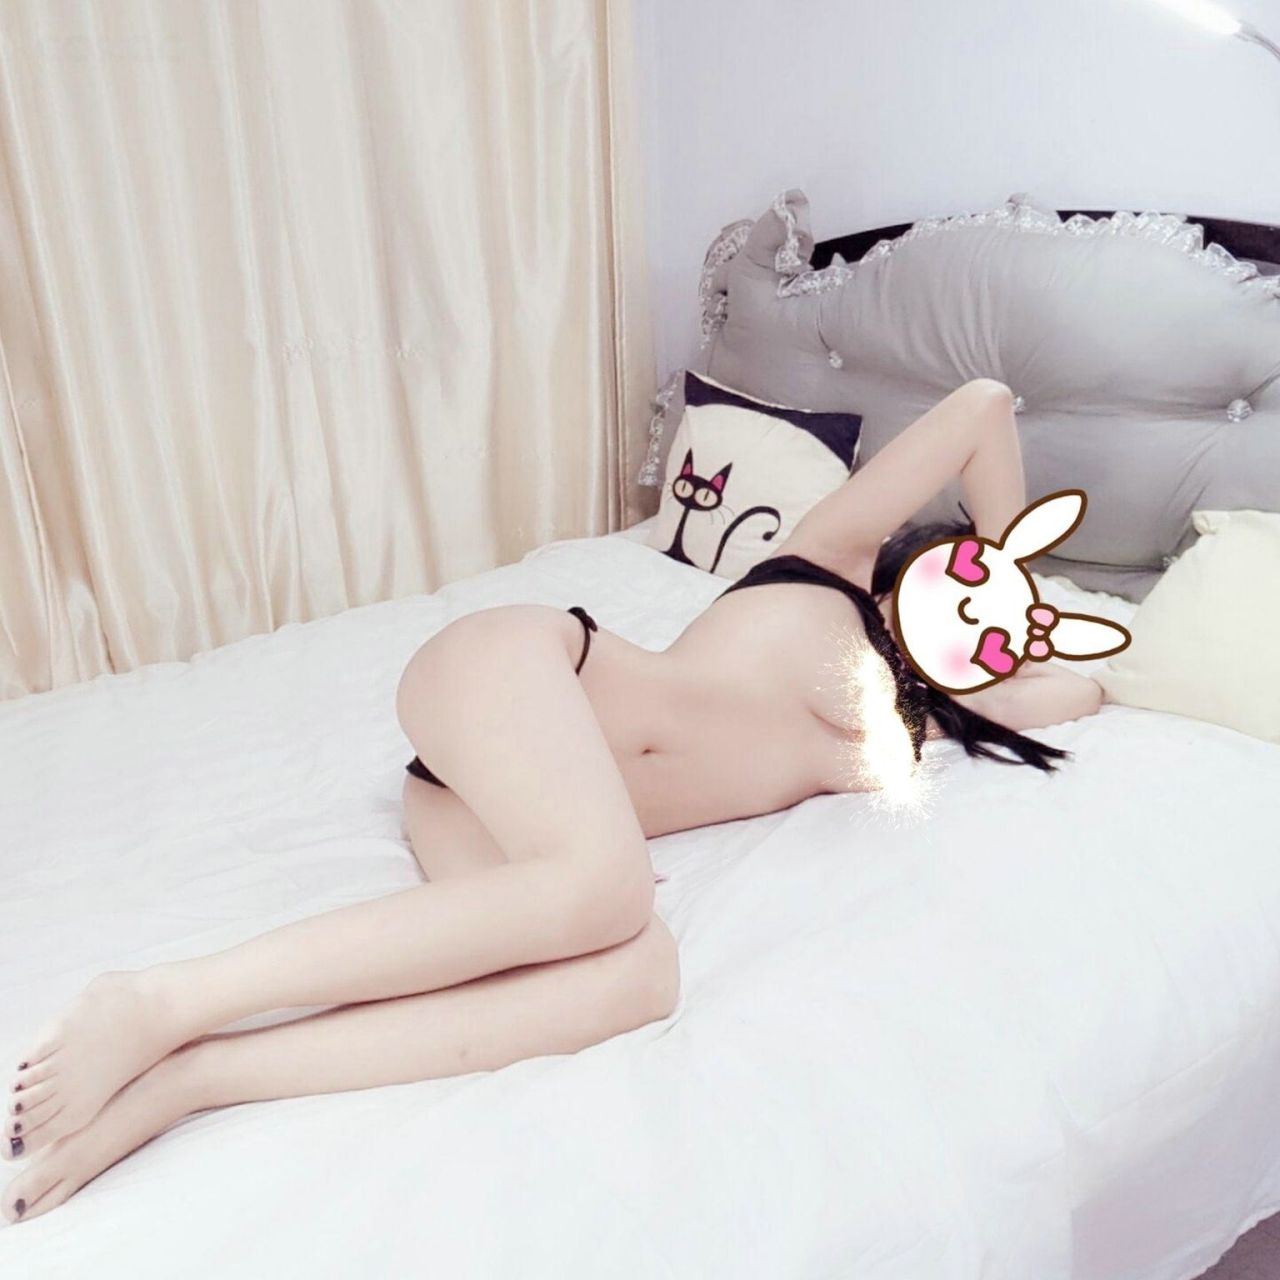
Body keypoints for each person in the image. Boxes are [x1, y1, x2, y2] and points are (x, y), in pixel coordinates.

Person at [2, 377, 1104, 1223]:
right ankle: (165, 998)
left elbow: (1082, 689)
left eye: (996, 630)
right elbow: (981, 406)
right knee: (610, 888)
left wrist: (1024, 629)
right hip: (521, 668)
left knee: (638, 976)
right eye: (972, 585)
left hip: (471, 807)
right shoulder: (825, 557)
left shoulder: (915, 719)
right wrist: (1015, 552)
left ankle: (193, 1080)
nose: (982, 618)